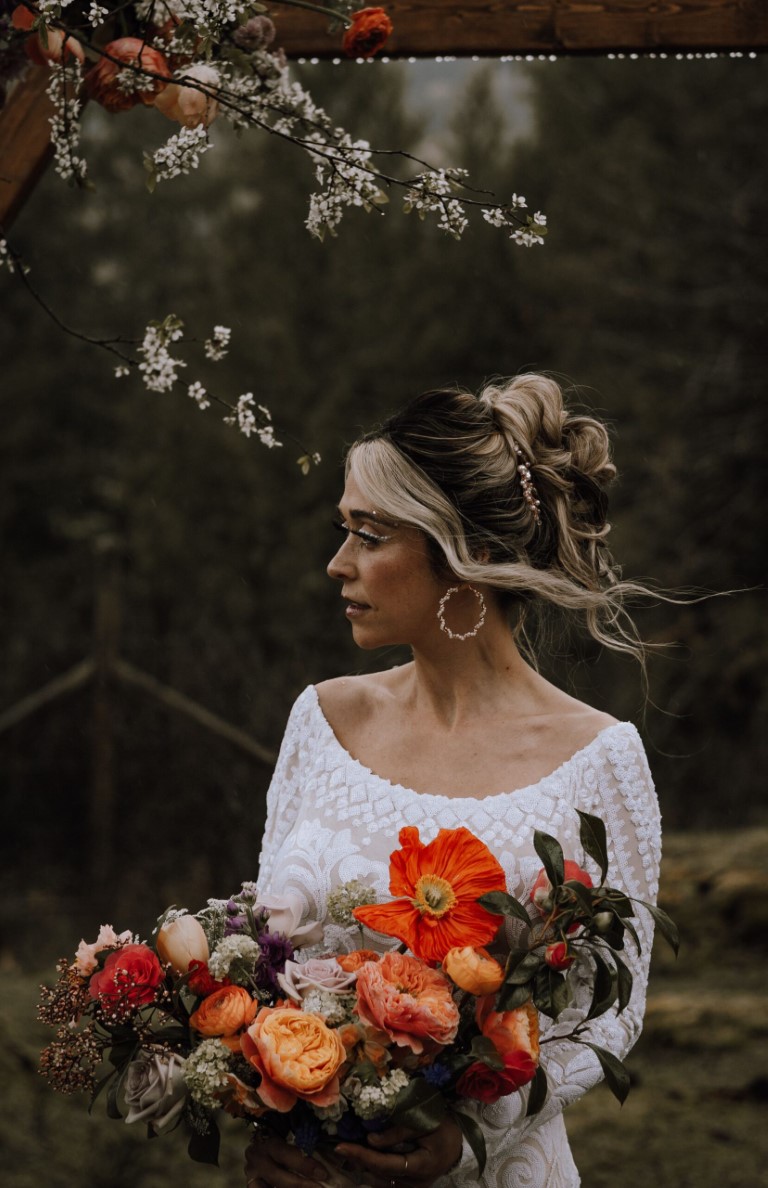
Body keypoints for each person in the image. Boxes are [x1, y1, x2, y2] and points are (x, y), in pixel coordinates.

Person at [244, 374, 661, 1188]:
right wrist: (271, 1116)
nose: (337, 565)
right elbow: (265, 961)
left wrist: (471, 1138)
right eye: (344, 530)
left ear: (461, 554)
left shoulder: (599, 759)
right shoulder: (323, 721)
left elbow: (609, 1013)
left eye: (368, 535)